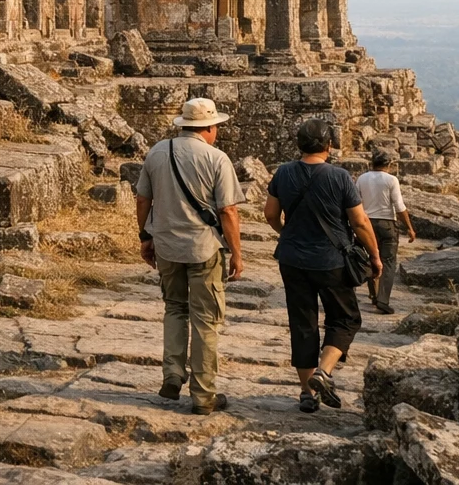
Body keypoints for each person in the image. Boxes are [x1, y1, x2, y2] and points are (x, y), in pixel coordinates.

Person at [134, 97, 244, 415]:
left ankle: (172, 373)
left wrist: (145, 236)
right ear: (209, 128)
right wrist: (236, 253)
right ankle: (203, 395)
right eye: (216, 128)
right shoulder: (216, 158)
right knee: (206, 321)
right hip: (204, 248)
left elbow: (143, 200)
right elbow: (228, 210)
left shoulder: (157, 152)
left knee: (175, 308)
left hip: (167, 246)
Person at [264, 119, 383, 413]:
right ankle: (324, 371)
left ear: (299, 144)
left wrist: (286, 234)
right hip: (331, 261)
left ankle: (307, 393)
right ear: (329, 145)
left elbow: (270, 213)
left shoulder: (284, 172)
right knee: (345, 318)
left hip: (292, 261)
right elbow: (359, 222)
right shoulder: (340, 177)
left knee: (302, 324)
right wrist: (375, 255)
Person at [356, 151, 415, 314]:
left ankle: (373, 294)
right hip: (387, 223)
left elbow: (355, 201)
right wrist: (409, 227)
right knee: (388, 261)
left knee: (369, 257)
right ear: (389, 165)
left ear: (371, 163)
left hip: (366, 223)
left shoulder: (362, 178)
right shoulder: (391, 180)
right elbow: (399, 206)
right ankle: (383, 300)